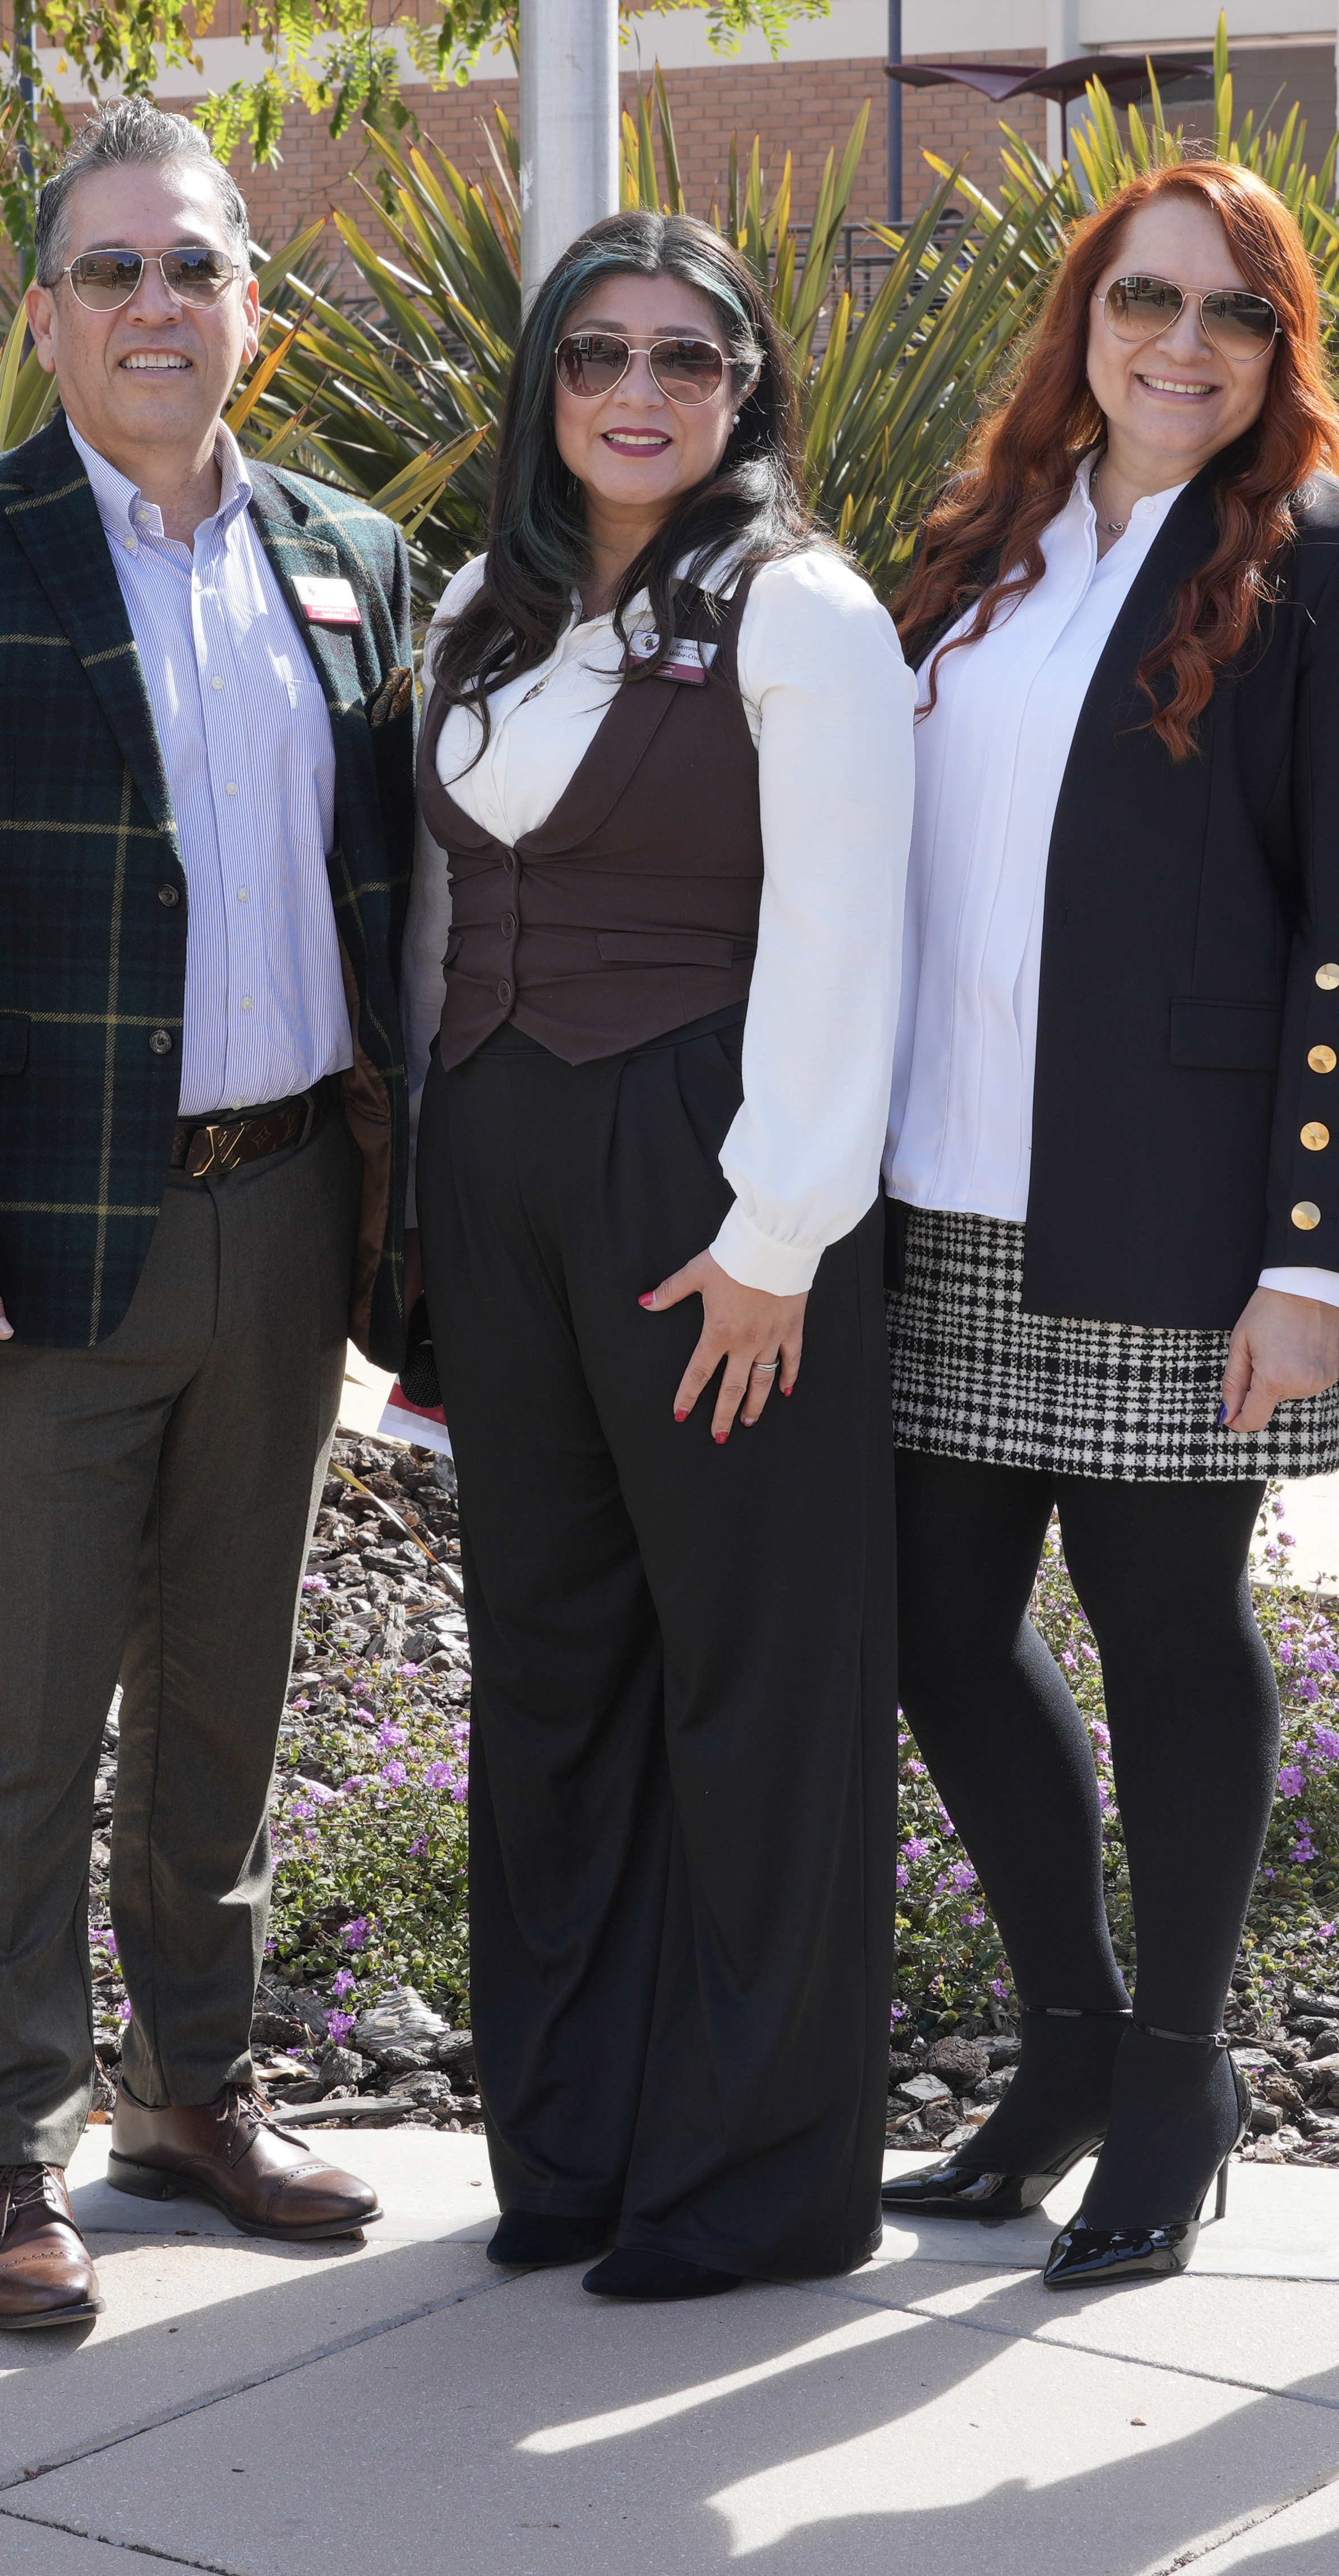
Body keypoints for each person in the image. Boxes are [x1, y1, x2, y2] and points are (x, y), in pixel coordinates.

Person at [0, 99, 422, 2332]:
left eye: (196, 268)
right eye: (112, 272)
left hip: (287, 1213)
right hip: (43, 1240)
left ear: (255, 305)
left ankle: (190, 2089)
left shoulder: (352, 556)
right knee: (24, 1711)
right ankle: (3, 2146)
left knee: (227, 1693)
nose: (157, 306)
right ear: (42, 315)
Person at [872, 162, 1339, 2291]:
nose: (1179, 345)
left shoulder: (1333, 560)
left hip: (1182, 1212)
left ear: (1281, 347)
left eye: (1229, 313)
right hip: (941, 1185)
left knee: (1168, 1635)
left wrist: (1316, 1262)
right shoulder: (980, 549)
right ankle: (1073, 2044)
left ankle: (1184, 2067)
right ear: (1081, 320)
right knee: (933, 1633)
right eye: (1143, 301)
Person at [407, 207, 914, 2301]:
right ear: (544, 385)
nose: (638, 393)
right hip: (499, 1160)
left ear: (746, 390)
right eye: (597, 354)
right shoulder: (477, 608)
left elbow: (843, 933)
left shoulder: (802, 613)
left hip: (710, 1175)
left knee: (756, 1680)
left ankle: (757, 2184)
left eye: (686, 360)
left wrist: (777, 1233)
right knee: (549, 1665)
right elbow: (438, 917)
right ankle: (577, 2152)